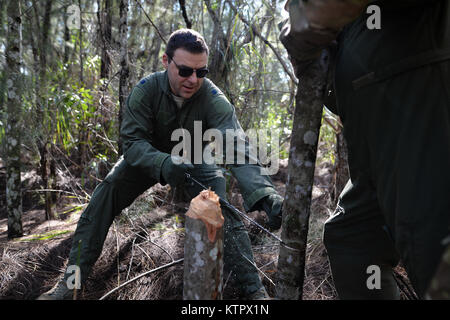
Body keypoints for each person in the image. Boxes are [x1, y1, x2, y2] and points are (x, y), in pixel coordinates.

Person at [38, 29, 283, 300]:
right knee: (103, 198)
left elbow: (238, 147)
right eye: (185, 70)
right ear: (166, 61)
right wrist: (163, 163)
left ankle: (256, 293)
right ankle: (70, 284)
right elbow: (132, 144)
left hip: (195, 157)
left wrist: (263, 193)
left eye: (201, 72)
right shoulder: (146, 90)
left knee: (223, 213)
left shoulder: (214, 99)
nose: (193, 79)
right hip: (147, 156)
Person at [280, 0, 450, 299]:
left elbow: (317, 16)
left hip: (417, 80)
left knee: (430, 243)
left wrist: (299, 28)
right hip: (372, 115)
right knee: (353, 240)